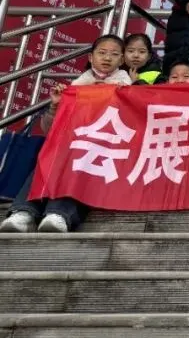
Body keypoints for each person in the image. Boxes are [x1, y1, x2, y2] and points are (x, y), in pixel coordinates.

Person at [0, 35, 131, 234]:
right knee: (50, 158)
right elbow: (50, 131)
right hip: (70, 146)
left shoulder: (128, 89)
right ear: (91, 57)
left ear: (121, 60)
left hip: (103, 151)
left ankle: (59, 214)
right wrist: (55, 107)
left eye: (114, 54)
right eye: (102, 53)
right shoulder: (76, 87)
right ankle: (24, 212)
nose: (107, 58)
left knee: (80, 162)